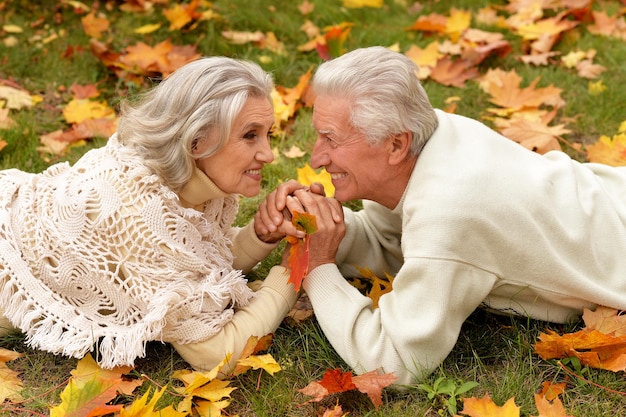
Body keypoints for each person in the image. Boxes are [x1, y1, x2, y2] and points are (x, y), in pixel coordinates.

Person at [256, 46, 626, 386]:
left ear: (396, 144)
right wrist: (321, 228)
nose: (316, 158)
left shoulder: (451, 211)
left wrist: (319, 267)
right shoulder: (434, 133)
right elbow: (396, 241)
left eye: (331, 139)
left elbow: (396, 363)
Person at [0, 56, 300, 372]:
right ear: (196, 140)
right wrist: (293, 272)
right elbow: (218, 354)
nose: (268, 154)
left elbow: (200, 261)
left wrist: (261, 235)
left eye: (268, 133)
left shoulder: (187, 182)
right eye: (250, 135)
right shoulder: (139, 216)